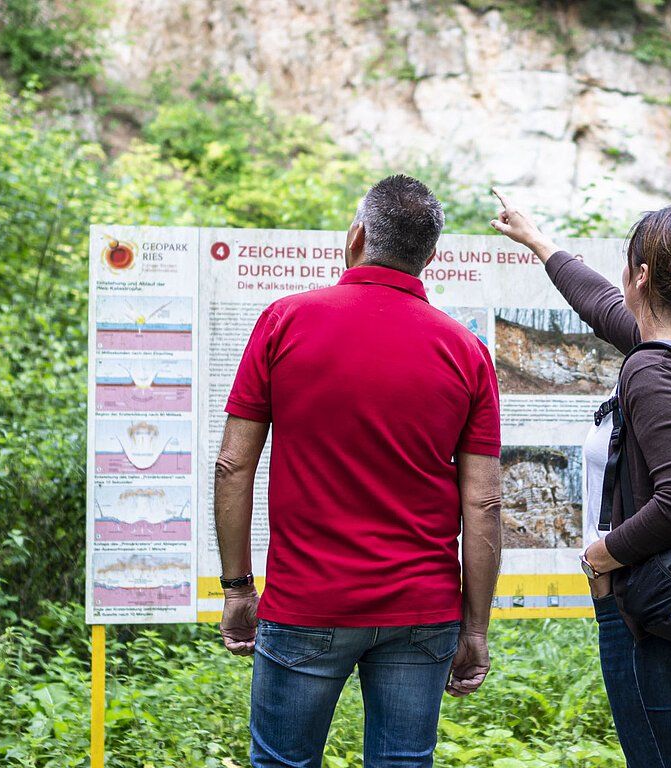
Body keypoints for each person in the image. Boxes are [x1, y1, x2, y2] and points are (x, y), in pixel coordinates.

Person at [214, 175, 503, 768]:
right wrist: (474, 630)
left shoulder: (284, 321)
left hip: (306, 601)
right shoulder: (465, 350)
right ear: (429, 257)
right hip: (422, 609)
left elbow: (233, 464)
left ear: (357, 237)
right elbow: (484, 505)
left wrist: (238, 587)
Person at [490, 190, 671, 768]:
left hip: (649, 612)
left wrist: (603, 557)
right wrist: (538, 241)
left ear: (642, 275)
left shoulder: (652, 370)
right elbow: (602, 305)